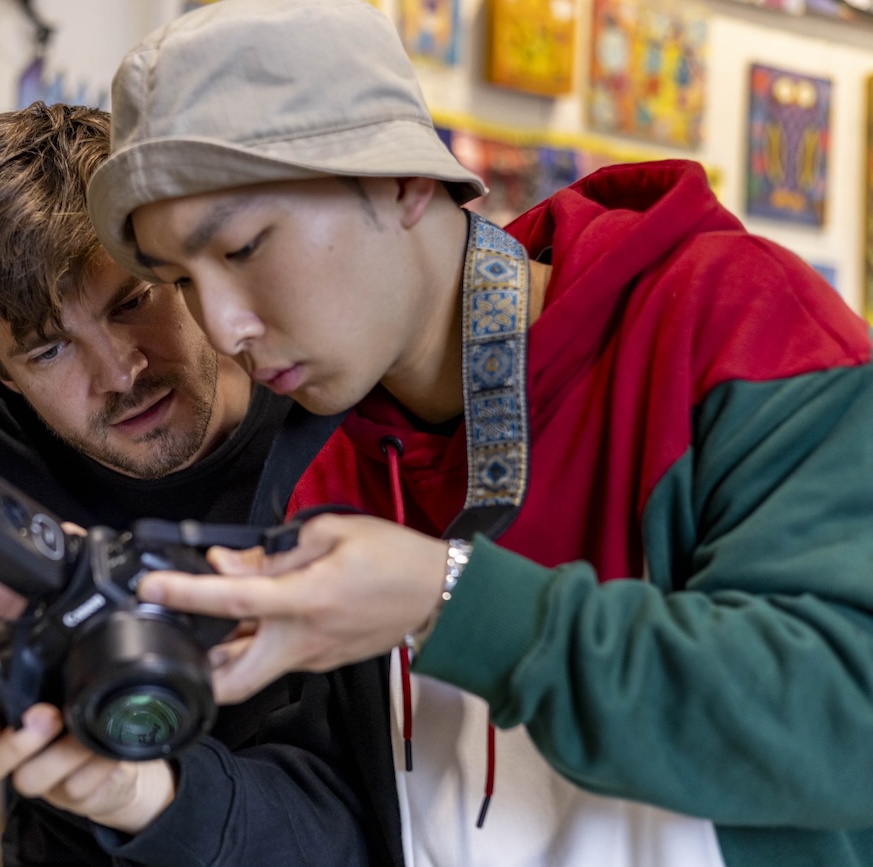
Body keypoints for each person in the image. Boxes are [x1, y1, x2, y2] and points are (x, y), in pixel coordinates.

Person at [84, 2, 873, 866]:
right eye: (179, 282)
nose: (221, 326)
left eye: (241, 248)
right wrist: (146, 796)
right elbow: (358, 816)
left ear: (400, 180)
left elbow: (848, 718)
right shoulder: (314, 462)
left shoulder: (735, 324)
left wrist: (449, 598)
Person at [0, 103, 382, 866]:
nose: (120, 373)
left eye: (132, 302)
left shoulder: (326, 384)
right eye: (47, 351)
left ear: (179, 265)